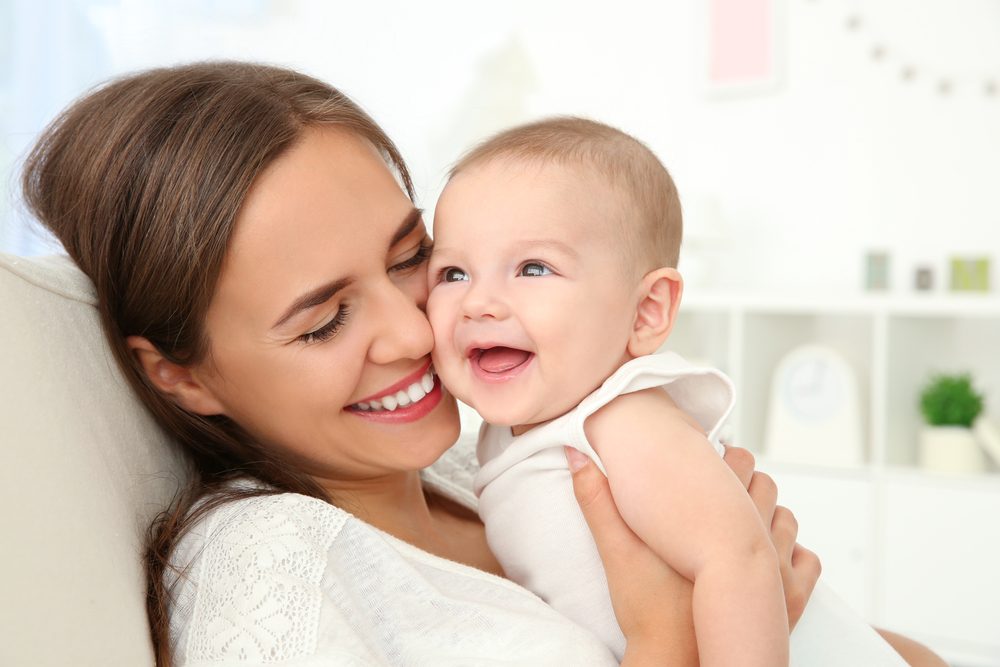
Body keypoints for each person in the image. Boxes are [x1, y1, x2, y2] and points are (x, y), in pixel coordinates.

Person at [16, 61, 928, 666]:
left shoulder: (478, 448)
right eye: (326, 320)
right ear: (182, 374)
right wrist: (663, 635)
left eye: (416, 257)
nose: (420, 334)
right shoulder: (269, 578)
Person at [427, 118, 944, 666]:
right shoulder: (499, 438)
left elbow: (739, 559)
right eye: (453, 273)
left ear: (646, 311)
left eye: (533, 268)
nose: (478, 302)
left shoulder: (622, 419)